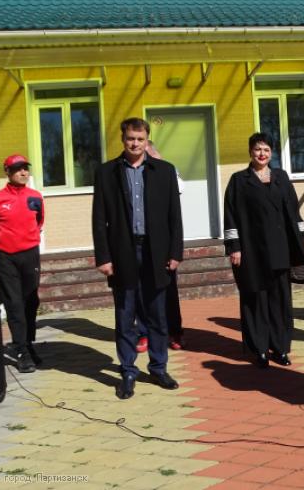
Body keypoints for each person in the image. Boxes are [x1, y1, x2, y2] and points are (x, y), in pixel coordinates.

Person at [92, 117, 184, 399]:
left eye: (140, 139)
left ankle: (158, 368)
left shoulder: (164, 171)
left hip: (156, 252)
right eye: (130, 138)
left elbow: (174, 216)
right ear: (123, 139)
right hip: (123, 252)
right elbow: (99, 218)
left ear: (147, 140)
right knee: (125, 315)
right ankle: (128, 371)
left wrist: (175, 252)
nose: (135, 143)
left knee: (157, 315)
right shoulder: (106, 172)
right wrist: (104, 257)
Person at [224, 132, 304, 368]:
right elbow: (230, 215)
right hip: (252, 251)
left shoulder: (281, 177)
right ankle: (259, 349)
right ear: (250, 151)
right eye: (258, 149)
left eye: (266, 150)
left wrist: (299, 242)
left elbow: (294, 211)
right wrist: (234, 247)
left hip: (280, 250)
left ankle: (280, 348)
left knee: (280, 301)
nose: (262, 154)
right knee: (256, 300)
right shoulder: (239, 180)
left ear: (272, 153)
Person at [0, 154, 44, 373]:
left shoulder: (35, 197)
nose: (23, 172)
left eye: (25, 168)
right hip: (6, 258)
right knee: (14, 303)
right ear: (7, 172)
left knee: (31, 300)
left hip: (30, 254)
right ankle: (21, 351)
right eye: (17, 169)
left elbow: (39, 222)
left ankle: (28, 343)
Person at [146, 139, 186, 350]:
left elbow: (178, 194)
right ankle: (145, 332)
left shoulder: (167, 171)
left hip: (164, 241)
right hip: (141, 241)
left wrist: (175, 251)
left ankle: (175, 331)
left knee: (169, 290)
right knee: (143, 292)